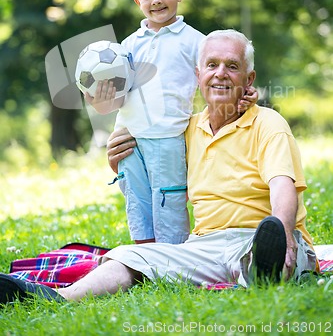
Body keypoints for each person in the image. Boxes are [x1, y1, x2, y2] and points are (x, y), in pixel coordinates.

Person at [0, 29, 317, 304]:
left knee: (263, 251)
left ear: (248, 80)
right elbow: (156, 170)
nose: (220, 73)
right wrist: (119, 162)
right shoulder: (184, 130)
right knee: (129, 256)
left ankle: (268, 265)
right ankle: (55, 297)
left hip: (260, 237)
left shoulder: (267, 123)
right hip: (205, 246)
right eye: (212, 65)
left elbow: (282, 185)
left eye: (232, 67)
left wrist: (286, 235)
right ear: (198, 75)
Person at [85, 0, 256, 245]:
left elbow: (219, 73)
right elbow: (116, 99)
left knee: (169, 200)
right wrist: (98, 100)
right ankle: (145, 255)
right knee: (136, 200)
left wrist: (245, 94)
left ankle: (172, 256)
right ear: (136, 0)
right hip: (128, 137)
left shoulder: (196, 42)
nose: (156, 1)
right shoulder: (127, 46)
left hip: (167, 137)